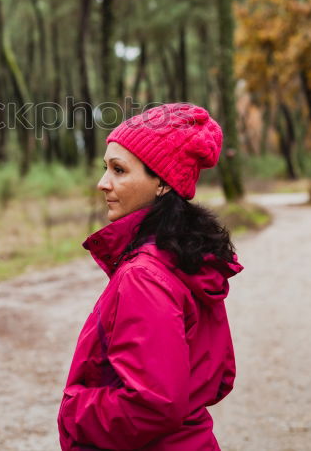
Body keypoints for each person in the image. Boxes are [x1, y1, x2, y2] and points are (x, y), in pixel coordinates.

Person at [57, 103, 242, 450]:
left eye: (119, 170)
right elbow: (219, 376)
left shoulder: (145, 276)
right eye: (105, 168)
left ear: (161, 183)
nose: (103, 183)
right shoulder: (183, 257)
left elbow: (152, 403)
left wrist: (74, 411)